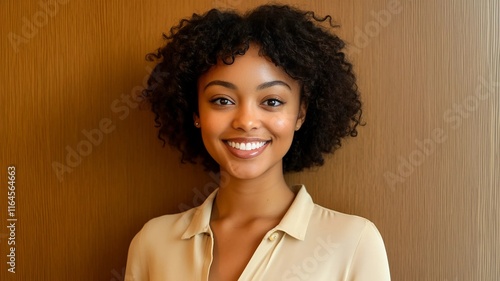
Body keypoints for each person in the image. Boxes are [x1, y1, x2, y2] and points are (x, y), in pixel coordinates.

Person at [125, 4, 390, 281]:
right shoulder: (152, 244)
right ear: (196, 113)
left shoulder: (353, 243)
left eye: (272, 101)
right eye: (222, 100)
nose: (246, 121)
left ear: (300, 114)